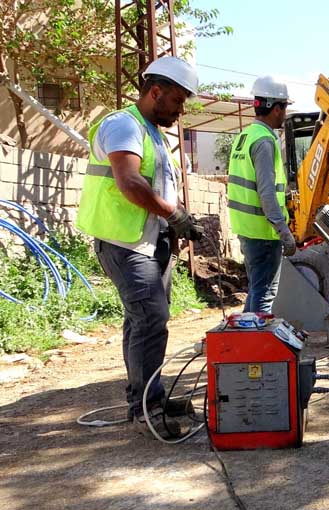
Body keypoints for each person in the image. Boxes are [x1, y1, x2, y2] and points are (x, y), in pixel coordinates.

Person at [76, 56, 202, 439]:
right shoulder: (123, 126)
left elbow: (156, 187)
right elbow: (129, 183)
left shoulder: (151, 133)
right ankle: (149, 409)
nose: (180, 111)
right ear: (156, 91)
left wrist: (173, 231)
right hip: (124, 242)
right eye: (178, 101)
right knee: (151, 319)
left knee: (142, 322)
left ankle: (145, 399)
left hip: (146, 243)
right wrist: (174, 215)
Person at [227, 76, 296, 314]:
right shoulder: (265, 141)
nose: (285, 113)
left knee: (257, 290)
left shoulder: (244, 137)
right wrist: (283, 231)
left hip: (246, 228)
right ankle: (255, 348)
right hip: (263, 231)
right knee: (265, 296)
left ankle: (244, 341)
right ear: (276, 108)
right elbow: (267, 192)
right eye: (285, 107)